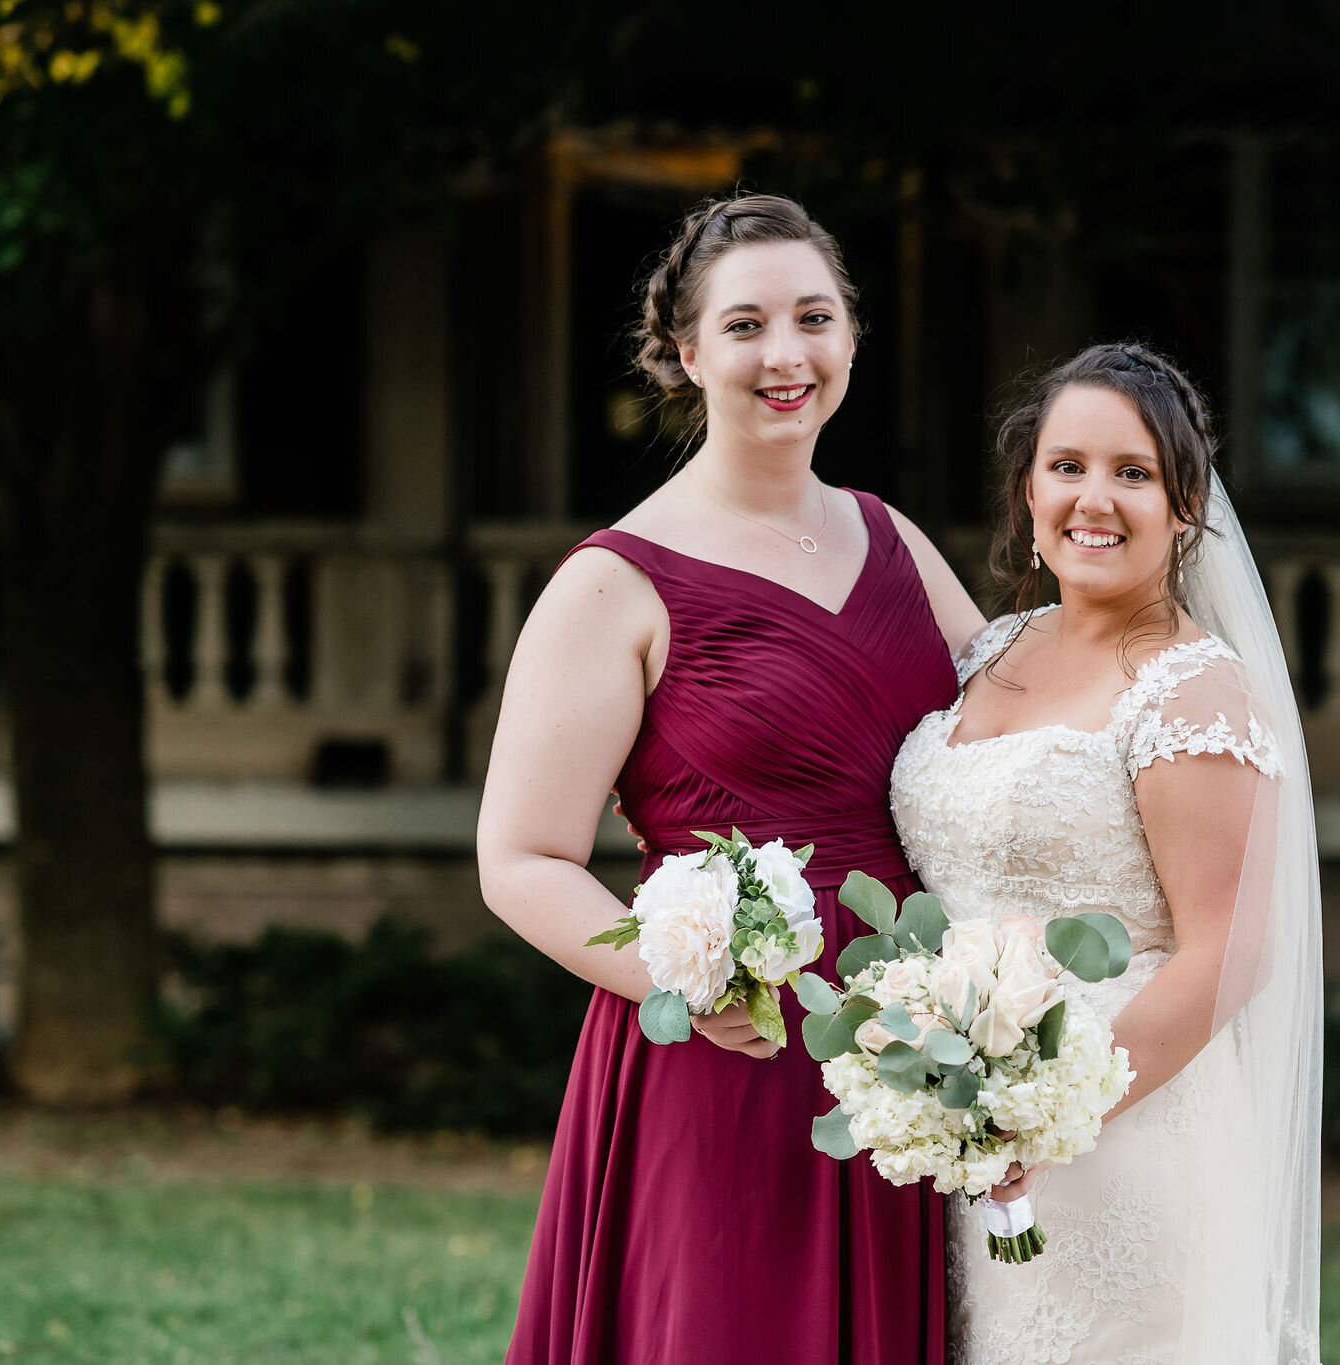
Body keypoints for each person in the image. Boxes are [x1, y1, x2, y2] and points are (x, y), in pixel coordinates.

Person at [477, 192, 984, 1365]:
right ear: (688, 352)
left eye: (813, 318)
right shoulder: (613, 584)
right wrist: (678, 976)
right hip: (722, 1062)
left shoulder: (895, 541)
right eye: (746, 324)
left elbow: (1010, 744)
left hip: (899, 1059)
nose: (785, 354)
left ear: (850, 340)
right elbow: (520, 859)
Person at [890, 342, 1324, 1364]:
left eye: (1133, 473)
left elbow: (1227, 954)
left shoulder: (1191, 693)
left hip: (1119, 1139)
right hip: (969, 1132)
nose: (1095, 498)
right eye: (1067, 466)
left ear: (1184, 508)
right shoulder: (992, 651)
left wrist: (1043, 1116)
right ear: (1025, 490)